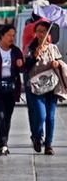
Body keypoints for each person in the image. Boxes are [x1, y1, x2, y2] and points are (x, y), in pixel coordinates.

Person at [24, 21, 64, 155]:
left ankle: (48, 144)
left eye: (44, 31)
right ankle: (36, 136)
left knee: (50, 117)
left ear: (48, 33)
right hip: (36, 88)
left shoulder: (53, 48)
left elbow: (60, 63)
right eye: (38, 31)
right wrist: (35, 56)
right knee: (41, 116)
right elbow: (26, 67)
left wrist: (56, 63)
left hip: (51, 86)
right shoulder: (30, 48)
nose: (41, 34)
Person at [0, 25, 24, 155]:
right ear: (2, 35)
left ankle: (4, 142)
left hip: (11, 89)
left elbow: (23, 69)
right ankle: (3, 144)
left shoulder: (16, 51)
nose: (12, 38)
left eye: (13, 35)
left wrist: (20, 65)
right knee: (0, 116)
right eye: (9, 35)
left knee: (7, 117)